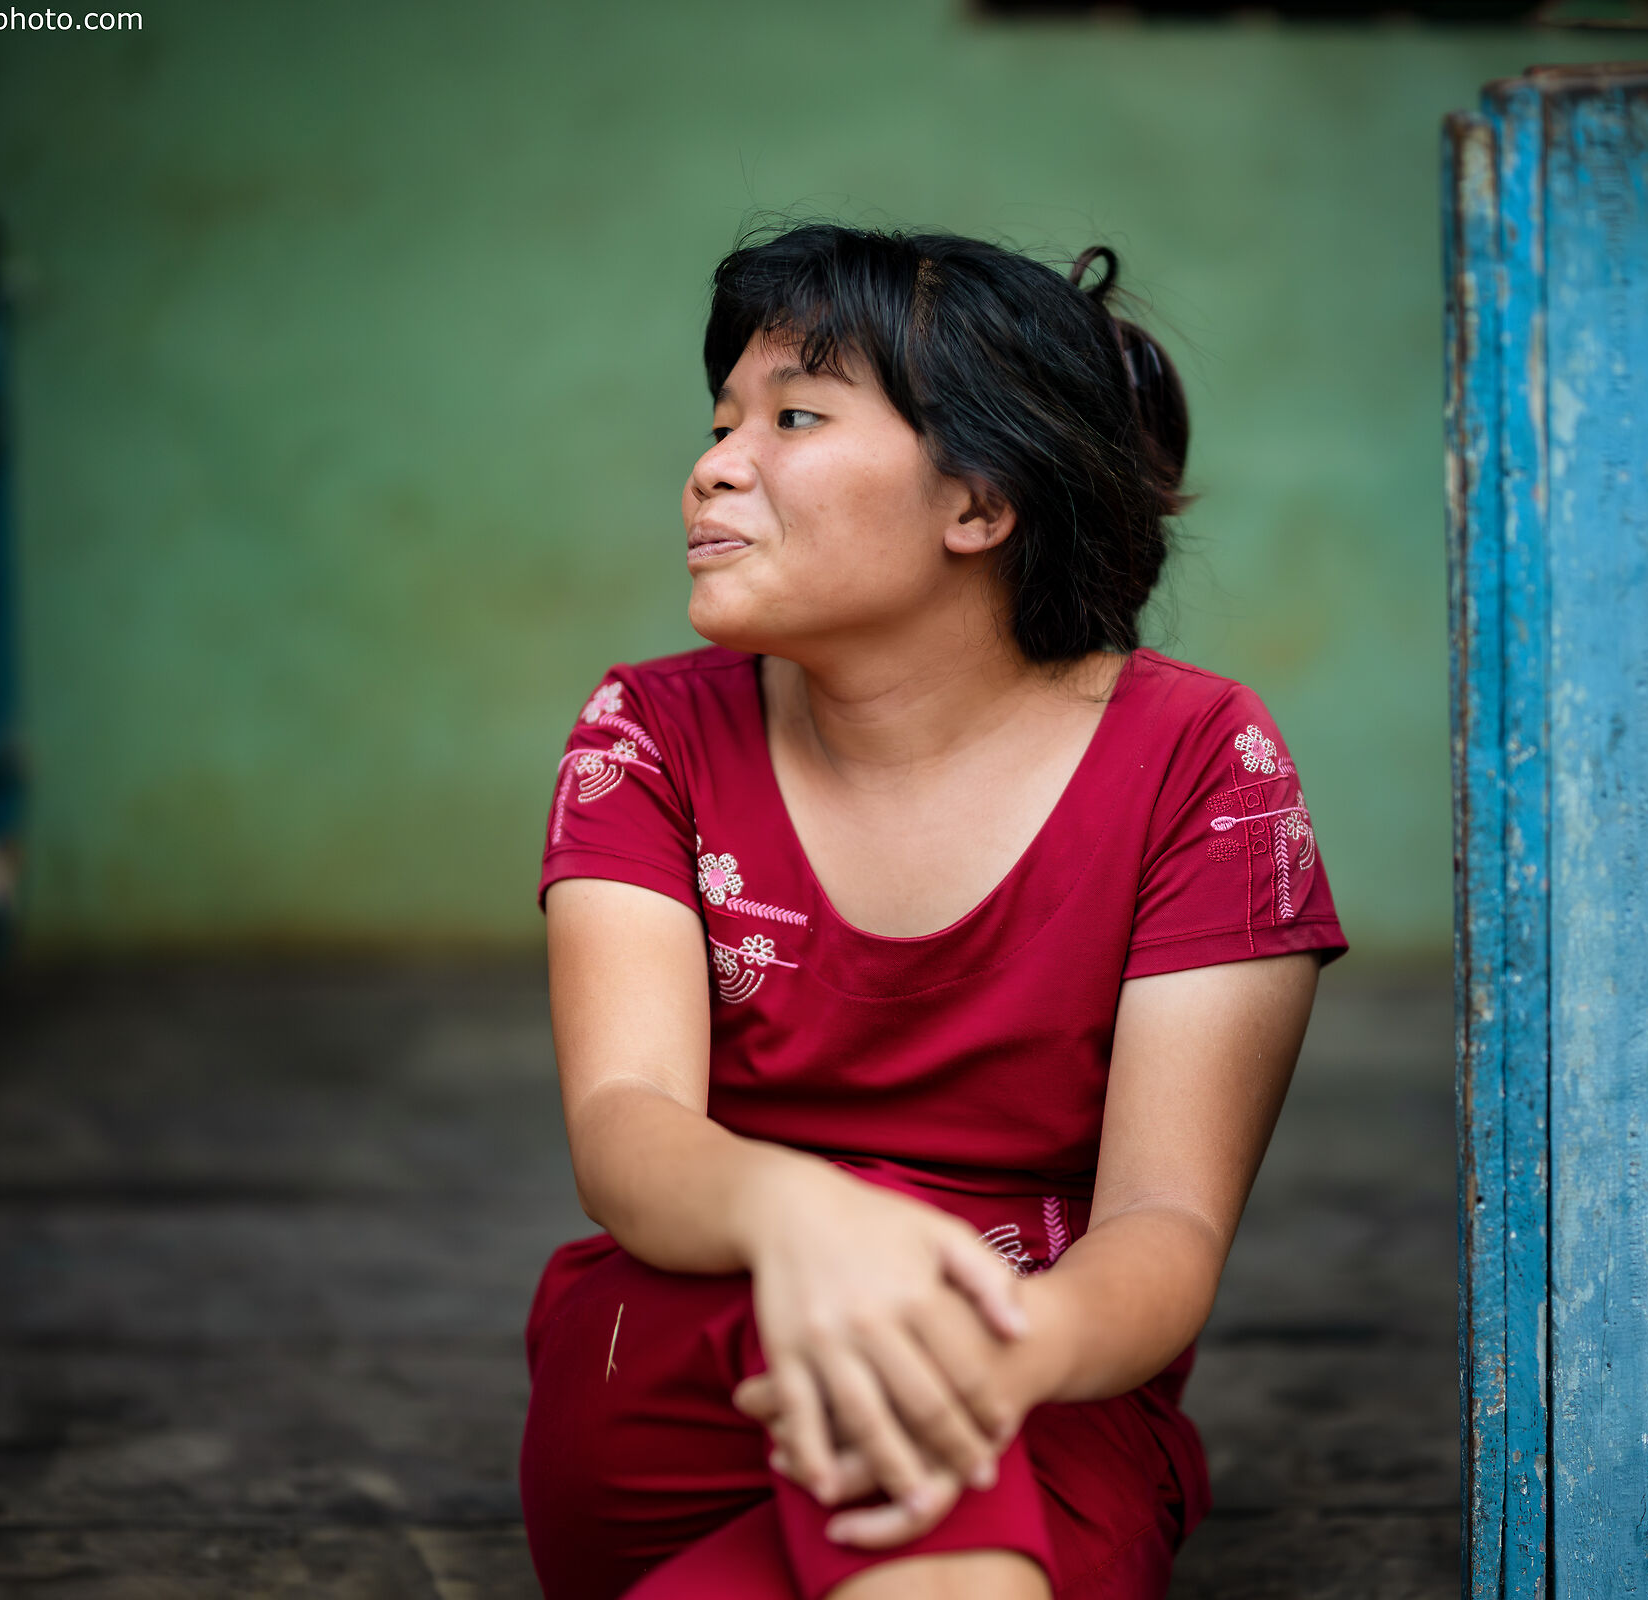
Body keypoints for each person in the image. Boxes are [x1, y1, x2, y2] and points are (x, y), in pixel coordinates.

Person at [522, 223, 1346, 1600]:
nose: (715, 464)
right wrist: (813, 1227)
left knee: (942, 1477)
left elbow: (1163, 1228)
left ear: (979, 504)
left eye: (793, 416)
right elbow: (626, 1127)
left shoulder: (1202, 763)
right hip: (694, 1365)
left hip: (1036, 1389)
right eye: (722, 419)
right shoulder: (649, 734)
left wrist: (992, 1349)